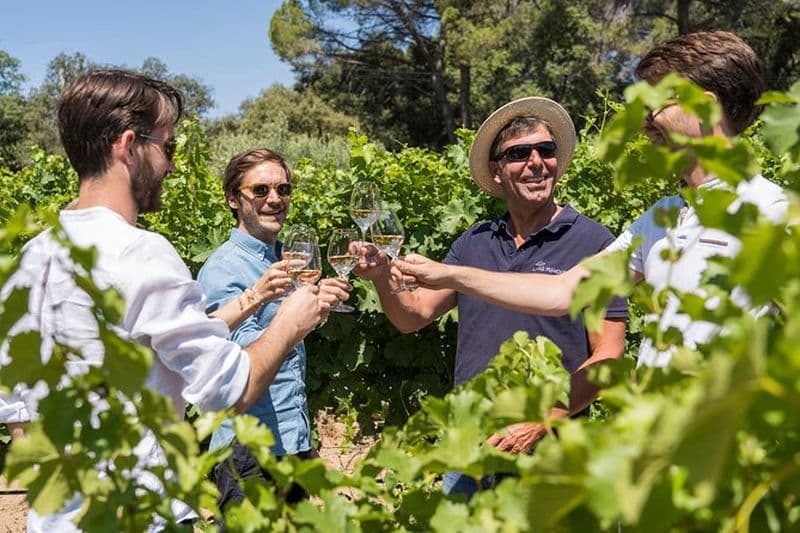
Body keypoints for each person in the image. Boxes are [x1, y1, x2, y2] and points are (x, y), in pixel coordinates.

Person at [0, 69, 350, 531]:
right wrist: (291, 321)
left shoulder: (30, 259)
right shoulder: (143, 252)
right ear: (129, 145)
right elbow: (229, 390)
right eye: (168, 147)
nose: (171, 165)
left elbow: (19, 414)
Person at [395, 31, 787, 368]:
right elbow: (562, 292)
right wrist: (450, 275)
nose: (646, 120)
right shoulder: (663, 218)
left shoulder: (773, 213)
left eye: (659, 103)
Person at [355, 97, 627, 497]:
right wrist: (381, 277)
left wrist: (542, 420)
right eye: (519, 153)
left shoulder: (594, 243)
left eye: (546, 150)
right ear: (497, 171)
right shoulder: (475, 241)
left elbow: (608, 357)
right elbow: (413, 316)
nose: (537, 162)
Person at [197, 148, 340, 509]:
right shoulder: (223, 270)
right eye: (260, 190)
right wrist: (290, 319)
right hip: (249, 453)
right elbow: (241, 367)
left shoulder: (284, 262)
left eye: (283, 189)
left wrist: (316, 307)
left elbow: (287, 351)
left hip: (292, 442)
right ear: (233, 198)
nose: (275, 199)